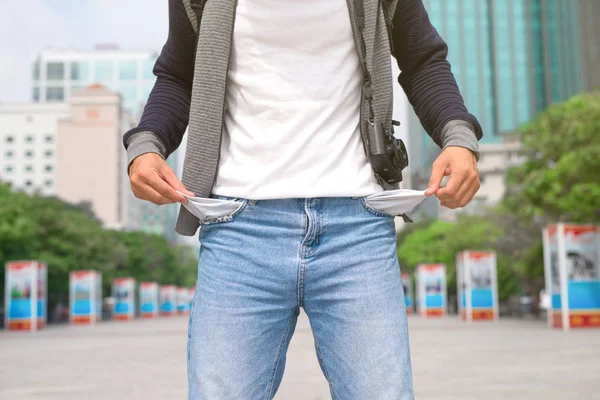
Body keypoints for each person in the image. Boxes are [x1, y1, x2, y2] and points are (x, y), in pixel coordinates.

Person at [123, 0, 482, 398]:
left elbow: (423, 59)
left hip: (357, 232)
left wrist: (458, 137)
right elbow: (178, 74)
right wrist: (146, 144)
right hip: (239, 235)